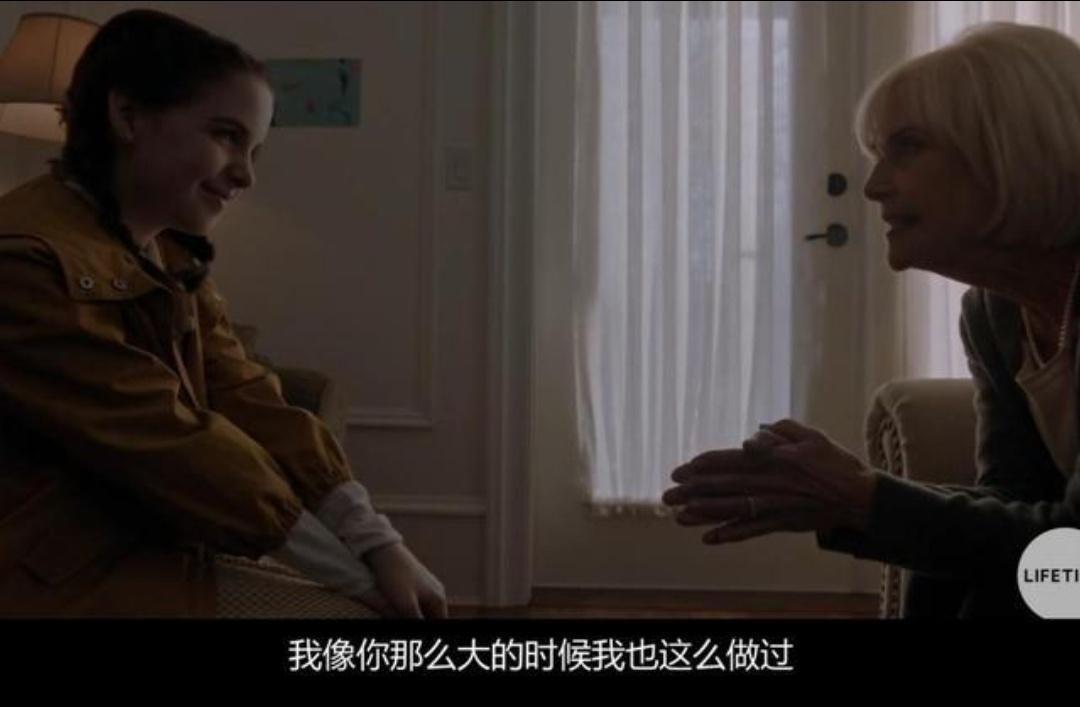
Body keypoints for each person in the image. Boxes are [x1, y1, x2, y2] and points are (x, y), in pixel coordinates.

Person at [0, 8, 446, 618]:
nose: (246, 174)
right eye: (226, 136)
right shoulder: (24, 262)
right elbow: (171, 442)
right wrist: (356, 579)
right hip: (58, 569)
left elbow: (246, 392)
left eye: (254, 148)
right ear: (128, 116)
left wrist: (379, 543)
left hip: (155, 539)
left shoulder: (166, 253)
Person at [662, 21, 1080, 618]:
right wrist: (855, 498)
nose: (874, 186)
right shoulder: (994, 312)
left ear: (1013, 148)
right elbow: (1018, 505)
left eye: (906, 147)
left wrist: (865, 500)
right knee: (968, 575)